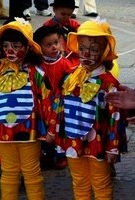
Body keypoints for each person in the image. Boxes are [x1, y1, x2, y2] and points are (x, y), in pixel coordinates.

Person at [0, 17, 57, 199]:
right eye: (6, 45)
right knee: (8, 173)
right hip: (3, 133)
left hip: (29, 132)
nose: (10, 50)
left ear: (28, 46)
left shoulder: (36, 73)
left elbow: (48, 102)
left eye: (16, 45)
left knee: (31, 173)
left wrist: (52, 130)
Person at [57, 20, 126, 199]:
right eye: (82, 48)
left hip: (99, 142)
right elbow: (60, 108)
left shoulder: (109, 83)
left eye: (94, 50)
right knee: (79, 181)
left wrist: (113, 147)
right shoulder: (70, 76)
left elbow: (115, 117)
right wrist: (57, 134)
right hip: (73, 139)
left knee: (101, 183)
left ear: (103, 52)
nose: (86, 54)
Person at [34, 25, 75, 170]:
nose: (54, 47)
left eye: (56, 43)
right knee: (44, 129)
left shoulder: (65, 63)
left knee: (59, 128)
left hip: (60, 103)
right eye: (48, 45)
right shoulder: (37, 65)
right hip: (43, 103)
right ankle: (45, 154)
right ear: (39, 47)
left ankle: (60, 156)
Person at [43, 0, 80, 67]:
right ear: (54, 9)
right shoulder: (47, 25)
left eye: (69, 15)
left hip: (71, 55)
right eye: (63, 14)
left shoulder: (75, 25)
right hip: (53, 55)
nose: (66, 17)